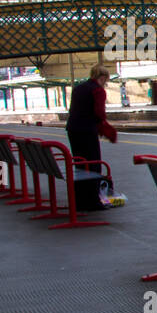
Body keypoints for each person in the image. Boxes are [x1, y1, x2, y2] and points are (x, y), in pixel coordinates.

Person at [66, 63, 118, 211]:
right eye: (106, 80)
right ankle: (92, 201)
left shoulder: (78, 88)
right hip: (87, 131)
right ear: (102, 77)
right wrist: (105, 128)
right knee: (93, 164)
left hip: (73, 130)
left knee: (80, 164)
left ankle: (79, 200)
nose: (106, 83)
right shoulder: (98, 90)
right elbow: (99, 113)